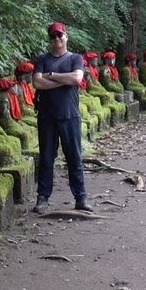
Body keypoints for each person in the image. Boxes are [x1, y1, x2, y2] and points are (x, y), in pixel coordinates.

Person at [31, 22, 93, 213]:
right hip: (47, 116)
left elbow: (76, 79)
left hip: (70, 115)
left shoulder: (75, 58)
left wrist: (51, 76)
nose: (57, 39)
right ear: (49, 39)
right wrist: (63, 80)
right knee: (47, 158)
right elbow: (37, 83)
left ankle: (80, 198)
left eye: (60, 35)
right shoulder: (41, 59)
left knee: (74, 157)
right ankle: (42, 198)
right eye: (53, 36)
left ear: (66, 36)